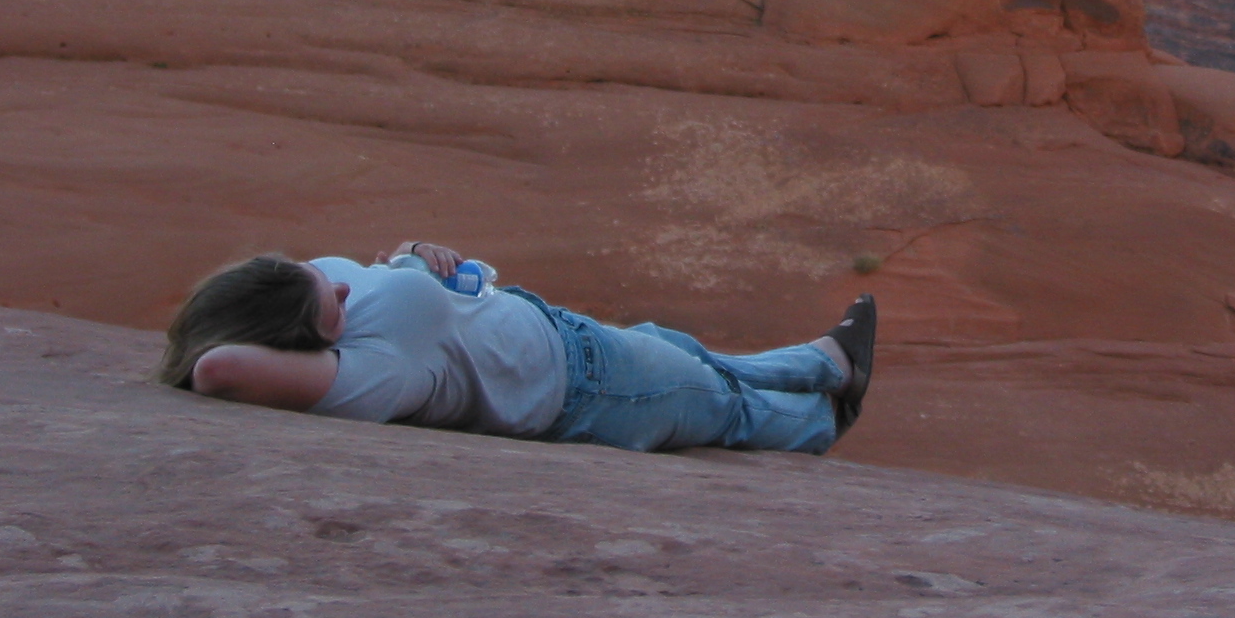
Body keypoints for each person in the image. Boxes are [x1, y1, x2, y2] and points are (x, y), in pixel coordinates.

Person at [156, 239, 875, 457]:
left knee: (679, 350)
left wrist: (410, 254)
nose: (342, 292)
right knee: (719, 405)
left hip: (563, 339)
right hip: (586, 392)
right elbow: (219, 368)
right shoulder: (367, 374)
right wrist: (206, 358)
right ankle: (820, 420)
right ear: (300, 347)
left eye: (324, 281)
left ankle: (823, 363)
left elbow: (366, 280)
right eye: (330, 310)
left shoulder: (316, 298)